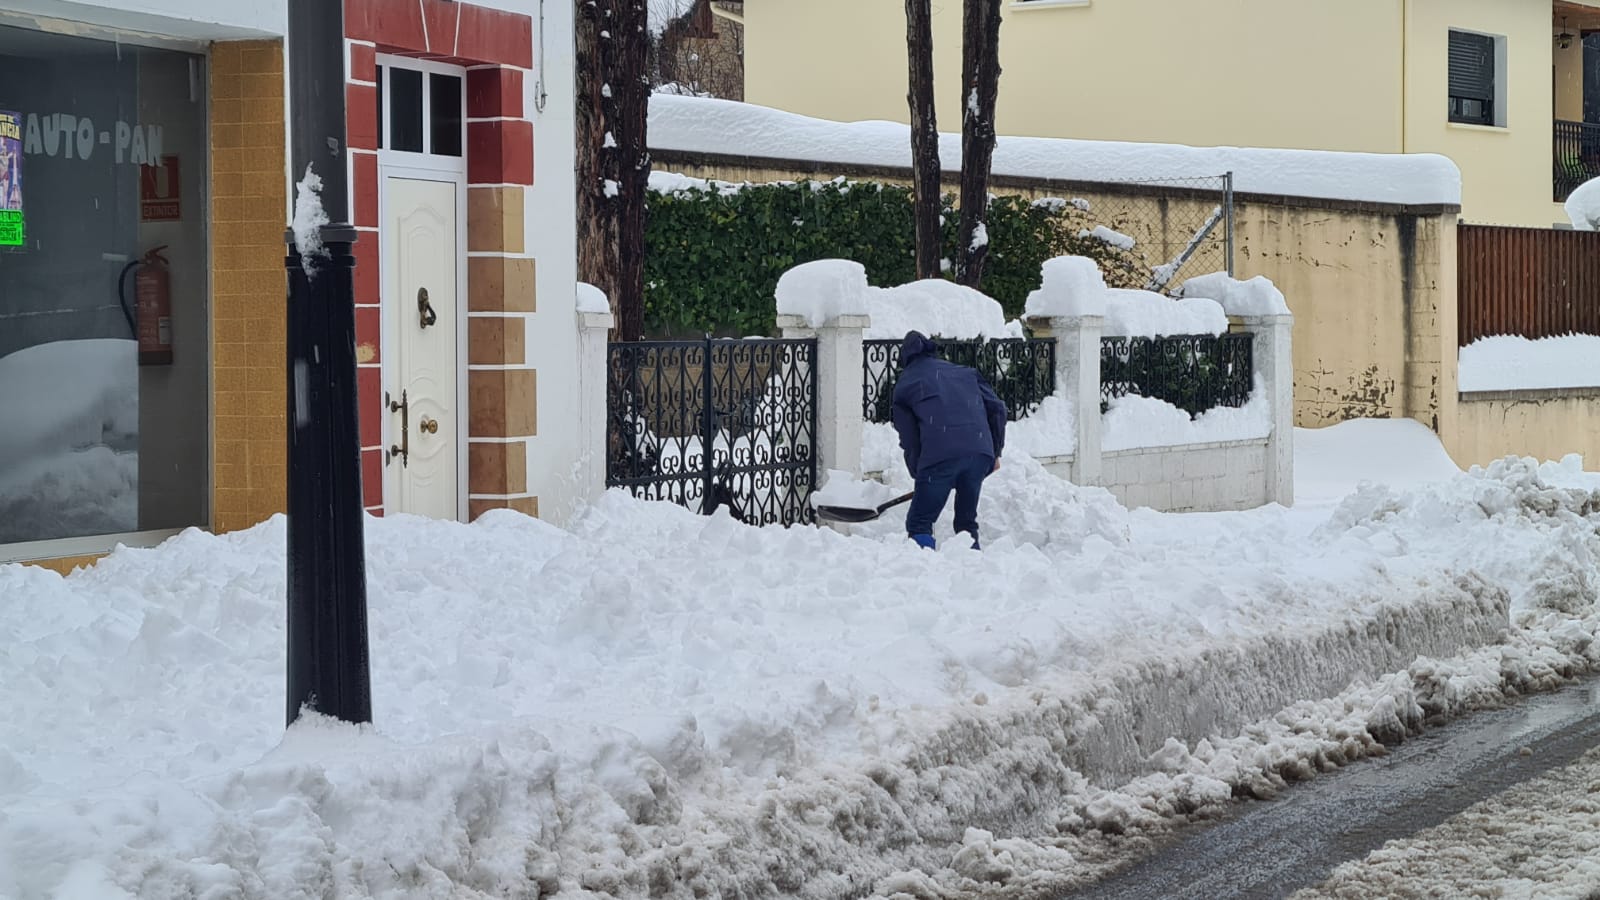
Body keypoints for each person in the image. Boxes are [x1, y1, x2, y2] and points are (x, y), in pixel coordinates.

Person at [890, 330, 1007, 550]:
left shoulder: (905, 385)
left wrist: (921, 471)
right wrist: (995, 451)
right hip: (979, 453)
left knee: (920, 522)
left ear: (905, 359)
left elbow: (910, 438)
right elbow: (998, 409)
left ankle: (924, 575)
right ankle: (976, 572)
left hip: (939, 457)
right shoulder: (965, 373)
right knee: (966, 522)